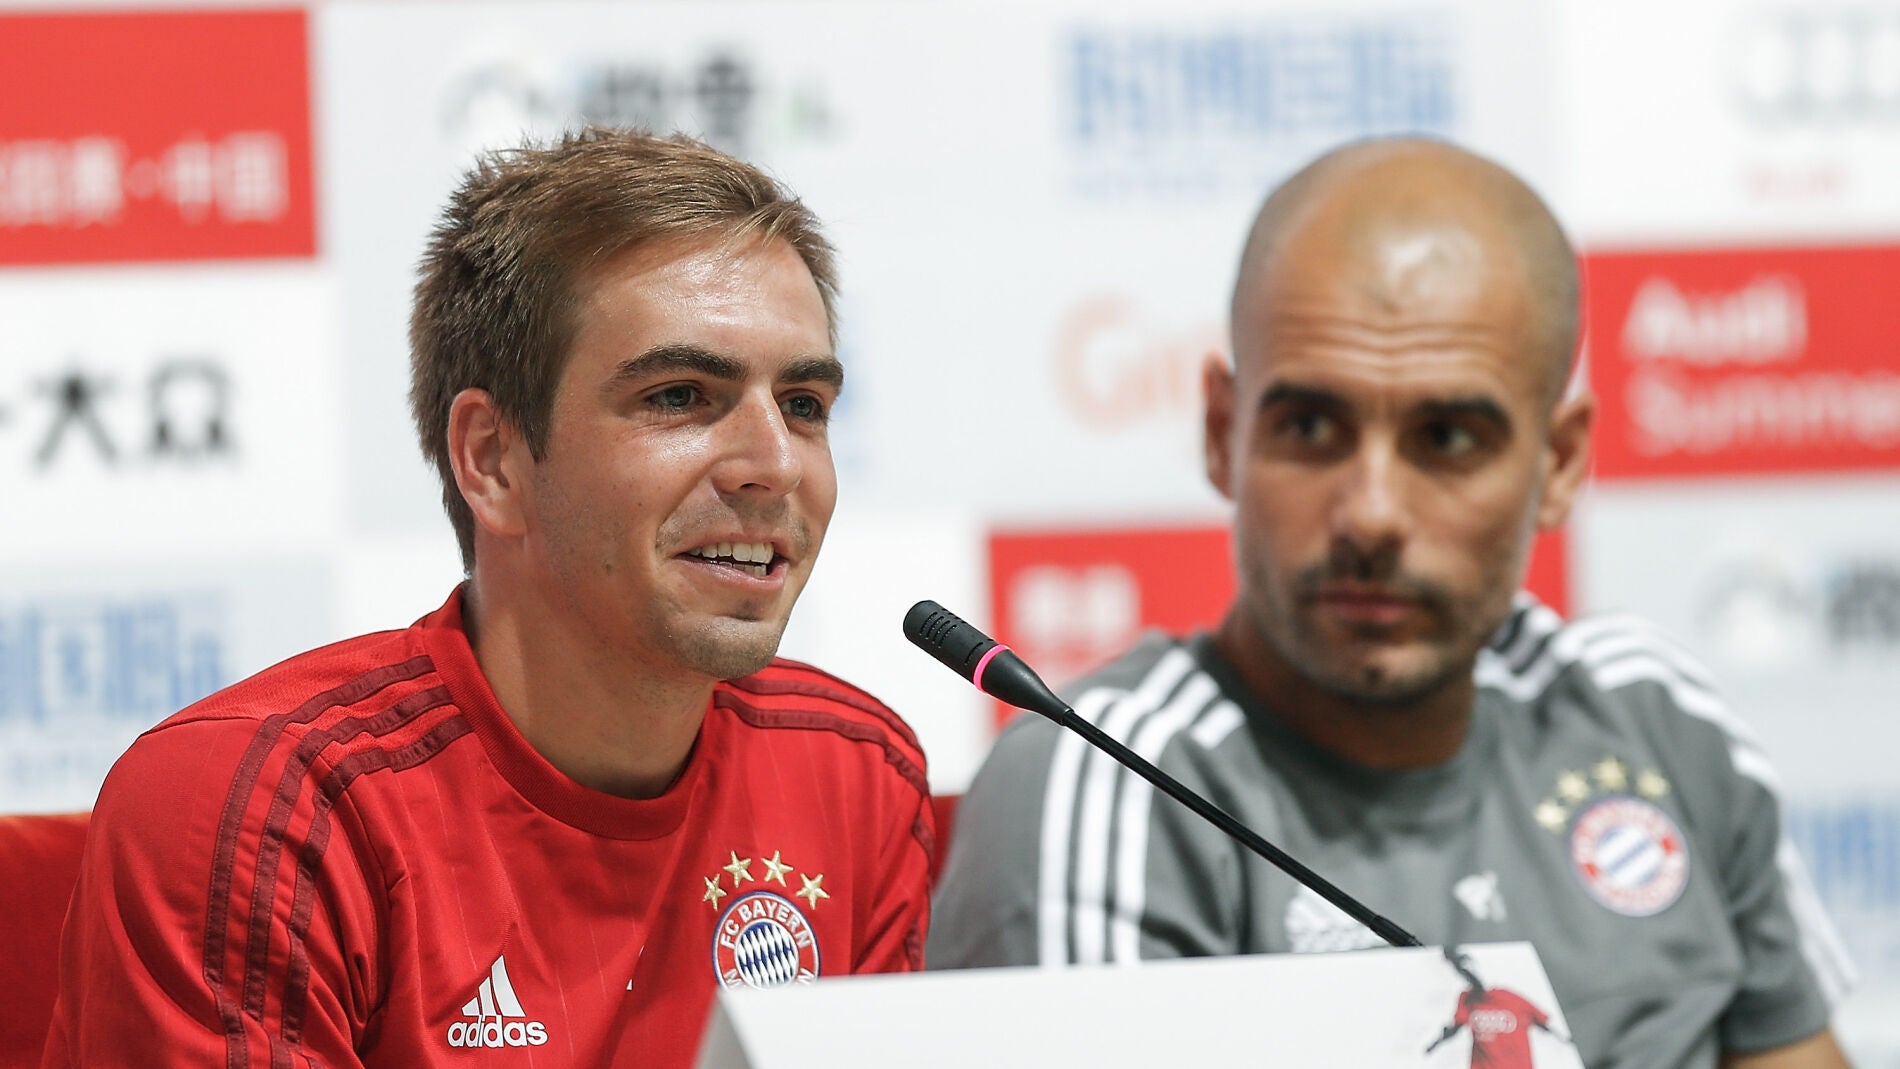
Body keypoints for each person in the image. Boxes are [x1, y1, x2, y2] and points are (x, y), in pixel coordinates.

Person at [928, 137, 1856, 1067]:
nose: (1370, 513)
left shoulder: (1653, 716)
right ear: (1222, 432)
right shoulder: (1114, 783)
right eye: (1312, 426)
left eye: (1448, 436)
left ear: (1560, 462)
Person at [44, 129, 933, 1068]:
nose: (774, 465)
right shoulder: (268, 811)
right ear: (492, 459)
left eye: (804, 404)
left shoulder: (854, 773)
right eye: (680, 396)